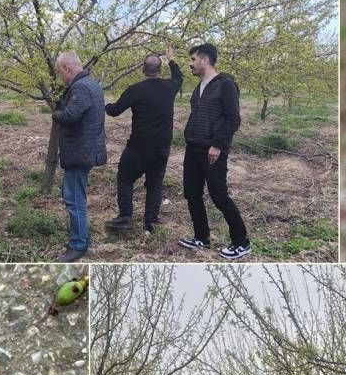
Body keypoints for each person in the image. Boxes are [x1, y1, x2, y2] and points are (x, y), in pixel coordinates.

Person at [178, 43, 250, 260]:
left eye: (193, 59)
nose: (190, 64)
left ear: (205, 60)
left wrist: (218, 145)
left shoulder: (225, 84)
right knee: (192, 194)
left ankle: (241, 242)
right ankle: (202, 237)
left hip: (212, 151)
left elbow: (233, 119)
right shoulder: (199, 87)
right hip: (193, 148)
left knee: (219, 196)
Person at [104, 46, 183, 233]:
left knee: (125, 178)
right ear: (160, 70)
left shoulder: (136, 90)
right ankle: (151, 222)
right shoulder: (170, 87)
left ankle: (125, 218)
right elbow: (179, 77)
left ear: (142, 70)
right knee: (155, 183)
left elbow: (115, 111)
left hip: (139, 147)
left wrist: (105, 104)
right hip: (162, 148)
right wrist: (171, 59)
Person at [52, 51, 106, 263]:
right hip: (85, 149)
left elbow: (70, 115)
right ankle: (79, 240)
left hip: (80, 152)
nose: (60, 76)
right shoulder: (91, 84)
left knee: (74, 200)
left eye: (59, 72)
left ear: (66, 68)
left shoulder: (81, 87)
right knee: (76, 197)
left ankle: (78, 245)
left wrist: (56, 113)